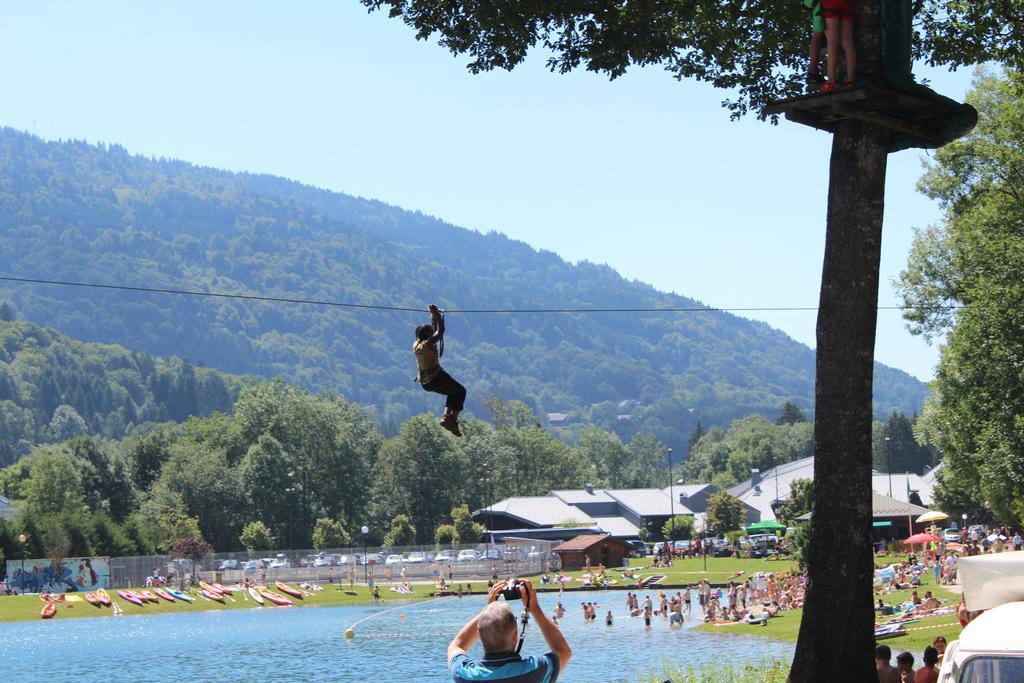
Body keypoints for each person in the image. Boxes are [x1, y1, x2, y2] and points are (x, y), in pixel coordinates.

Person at [448, 579, 570, 683]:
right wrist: (534, 607)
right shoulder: (535, 670)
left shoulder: (465, 674)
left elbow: (457, 645)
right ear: (515, 637)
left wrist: (488, 611)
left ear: (479, 636)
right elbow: (563, 651)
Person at [414, 304, 467, 437]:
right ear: (429, 336)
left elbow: (435, 332)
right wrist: (437, 315)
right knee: (461, 391)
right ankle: (453, 420)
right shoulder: (428, 344)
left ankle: (446, 417)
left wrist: (433, 316)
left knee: (453, 392)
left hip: (425, 383)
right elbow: (441, 331)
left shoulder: (416, 345)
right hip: (436, 378)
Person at [819, 0, 856, 91]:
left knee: (832, 43)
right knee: (848, 43)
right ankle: (850, 81)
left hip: (830, 3)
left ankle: (831, 83)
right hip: (847, 4)